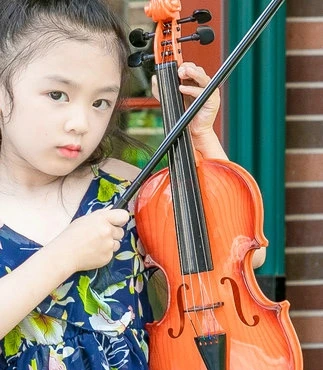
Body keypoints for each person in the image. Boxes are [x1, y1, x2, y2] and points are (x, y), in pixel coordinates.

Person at [0, 0, 265, 369]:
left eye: (101, 102)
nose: (80, 122)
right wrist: (64, 255)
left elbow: (237, 254)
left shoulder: (123, 187)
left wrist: (202, 136)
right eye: (57, 95)